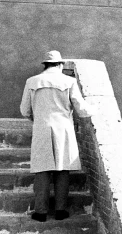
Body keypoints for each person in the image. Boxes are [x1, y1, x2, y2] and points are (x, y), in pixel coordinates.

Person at [20, 50, 92, 222]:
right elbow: (82, 110)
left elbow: (24, 110)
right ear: (60, 65)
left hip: (42, 128)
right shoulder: (69, 81)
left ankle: (41, 212)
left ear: (45, 65)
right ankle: (61, 210)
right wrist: (96, 109)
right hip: (63, 129)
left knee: (42, 171)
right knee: (62, 170)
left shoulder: (32, 81)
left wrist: (36, 118)